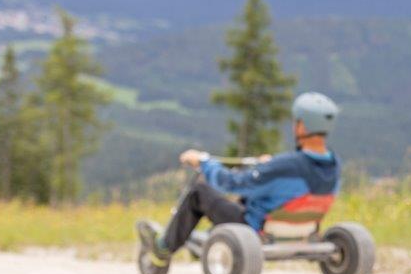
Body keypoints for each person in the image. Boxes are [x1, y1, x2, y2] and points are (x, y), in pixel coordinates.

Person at [136, 92, 341, 264]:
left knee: (199, 191)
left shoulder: (286, 165)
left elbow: (231, 183)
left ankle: (162, 249)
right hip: (303, 229)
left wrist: (204, 162)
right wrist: (267, 166)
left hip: (254, 228)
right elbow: (289, 180)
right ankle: (207, 236)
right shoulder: (333, 165)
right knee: (243, 199)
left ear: (301, 127)